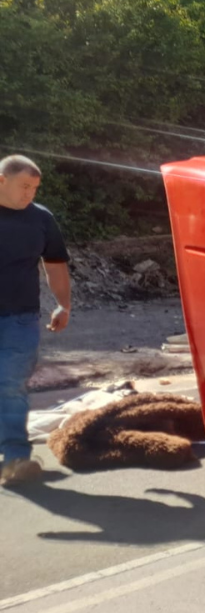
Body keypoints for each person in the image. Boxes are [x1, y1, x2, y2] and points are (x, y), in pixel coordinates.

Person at [0, 155, 71, 486]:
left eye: (34, 188)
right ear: (2, 180)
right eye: (24, 186)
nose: (29, 193)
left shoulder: (41, 219)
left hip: (20, 318)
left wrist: (63, 304)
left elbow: (55, 263)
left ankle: (15, 459)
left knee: (11, 385)